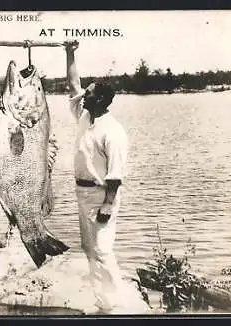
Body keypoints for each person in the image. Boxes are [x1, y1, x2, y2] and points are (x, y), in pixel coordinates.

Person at [64, 40, 149, 314]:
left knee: (102, 249)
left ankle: (117, 305)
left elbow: (115, 176)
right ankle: (102, 302)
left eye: (89, 94)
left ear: (101, 99)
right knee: (89, 249)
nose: (83, 97)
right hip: (82, 193)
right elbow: (73, 86)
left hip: (102, 195)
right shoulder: (85, 115)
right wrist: (69, 54)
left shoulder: (113, 132)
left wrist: (108, 204)